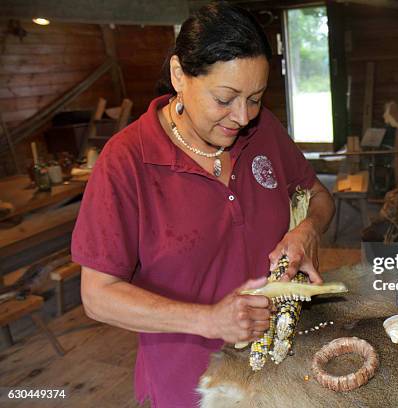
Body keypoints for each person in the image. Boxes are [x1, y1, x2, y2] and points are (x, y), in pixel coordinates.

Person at [71, 3, 335, 407]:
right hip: (192, 385)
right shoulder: (127, 161)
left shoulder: (264, 130)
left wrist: (308, 229)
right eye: (225, 98)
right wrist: (209, 319)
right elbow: (98, 295)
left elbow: (317, 195)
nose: (243, 116)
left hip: (280, 370)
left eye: (256, 98)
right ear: (180, 75)